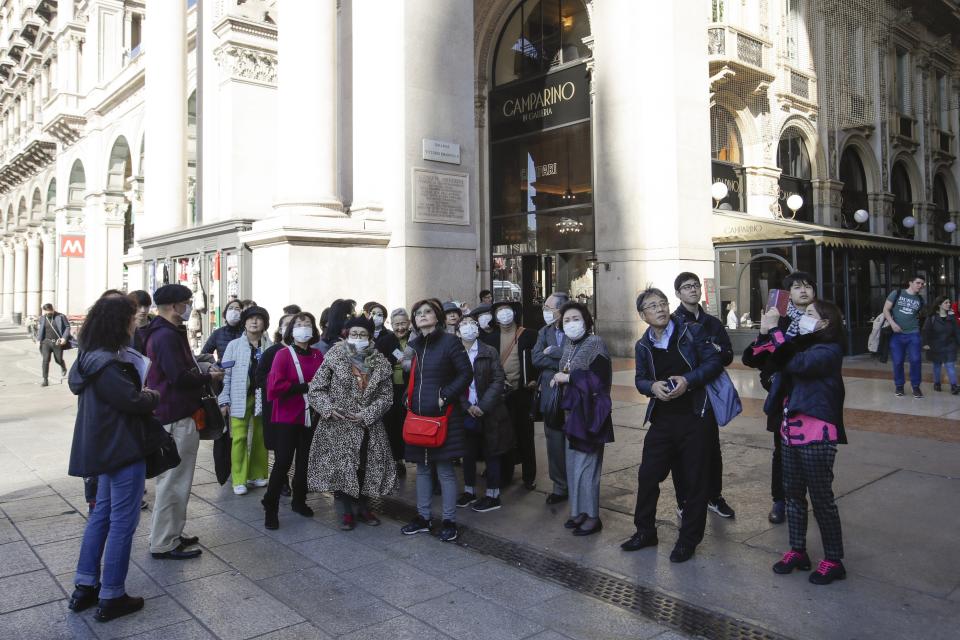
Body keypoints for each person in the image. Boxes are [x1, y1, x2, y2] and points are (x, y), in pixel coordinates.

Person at [66, 296, 159, 622]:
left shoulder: (88, 359)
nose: (135, 323)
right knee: (122, 521)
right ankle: (112, 594)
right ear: (118, 323)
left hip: (102, 447)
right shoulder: (109, 364)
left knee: (102, 516)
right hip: (121, 447)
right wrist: (152, 395)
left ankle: (86, 586)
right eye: (131, 319)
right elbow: (133, 401)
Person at [621, 288, 723, 563]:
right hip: (663, 419)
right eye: (652, 306)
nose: (660, 309)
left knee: (694, 481)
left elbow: (715, 362)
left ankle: (687, 540)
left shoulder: (692, 331)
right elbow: (640, 379)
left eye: (663, 303)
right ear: (643, 316)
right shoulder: (643, 345)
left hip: (695, 416)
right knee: (648, 475)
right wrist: (651, 386)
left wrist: (688, 380)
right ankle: (645, 532)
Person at [755, 300, 848, 585]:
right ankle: (798, 551)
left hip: (816, 431)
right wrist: (765, 334)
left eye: (809, 314)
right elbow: (762, 360)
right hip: (789, 430)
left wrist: (777, 333)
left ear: (825, 323)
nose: (802, 318)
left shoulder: (829, 350)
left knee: (821, 499)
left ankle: (833, 560)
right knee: (793, 495)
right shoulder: (799, 343)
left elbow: (798, 364)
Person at [141, 284, 224, 560]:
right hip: (174, 416)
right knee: (174, 481)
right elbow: (179, 377)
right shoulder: (164, 335)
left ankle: (172, 532)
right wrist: (207, 377)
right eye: (187, 302)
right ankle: (164, 541)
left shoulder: (167, 332)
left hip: (174, 413)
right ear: (175, 306)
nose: (190, 306)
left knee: (176, 481)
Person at [741, 271, 818, 526]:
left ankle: (815, 502)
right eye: (797, 287)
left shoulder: (822, 320)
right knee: (782, 452)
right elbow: (753, 359)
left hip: (812, 399)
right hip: (784, 400)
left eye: (808, 286)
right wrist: (765, 333)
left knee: (813, 454)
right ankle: (780, 500)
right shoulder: (779, 322)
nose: (803, 290)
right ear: (787, 295)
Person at [307, 316, 397, 530]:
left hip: (368, 424)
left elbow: (387, 396)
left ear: (370, 337)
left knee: (366, 466)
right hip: (339, 423)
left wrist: (367, 414)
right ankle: (347, 511)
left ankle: (364, 508)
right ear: (347, 335)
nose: (358, 338)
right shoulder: (334, 356)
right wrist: (328, 409)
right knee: (344, 467)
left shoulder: (379, 361)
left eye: (362, 334)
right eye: (354, 334)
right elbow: (317, 389)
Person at [400, 299, 472, 542]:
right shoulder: (416, 345)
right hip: (419, 417)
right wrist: (407, 398)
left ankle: (449, 521)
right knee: (421, 470)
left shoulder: (450, 342)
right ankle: (423, 517)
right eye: (418, 313)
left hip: (443, 416)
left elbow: (466, 373)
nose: (422, 315)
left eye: (427, 311)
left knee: (445, 471)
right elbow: (415, 379)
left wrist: (445, 395)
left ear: (438, 316)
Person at [671, 272, 735, 519]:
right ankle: (684, 500)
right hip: (684, 394)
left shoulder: (713, 322)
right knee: (682, 450)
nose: (693, 290)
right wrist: (711, 352)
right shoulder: (674, 322)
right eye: (687, 287)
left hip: (709, 394)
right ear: (678, 293)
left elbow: (727, 355)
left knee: (711, 448)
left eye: (695, 286)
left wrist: (712, 353)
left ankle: (714, 496)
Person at [551, 302, 613, 536]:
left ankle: (592, 516)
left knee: (588, 467)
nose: (571, 324)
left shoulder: (595, 343)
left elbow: (600, 380)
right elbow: (564, 369)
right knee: (574, 465)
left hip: (591, 413)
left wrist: (568, 379)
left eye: (575, 318)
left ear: (586, 321)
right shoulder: (569, 345)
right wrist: (559, 378)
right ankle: (577, 511)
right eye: (566, 320)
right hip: (572, 414)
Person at [263, 313, 325, 529]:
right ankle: (270, 505)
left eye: (308, 324)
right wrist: (305, 387)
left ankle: (299, 500)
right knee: (283, 462)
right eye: (298, 325)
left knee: (305, 461)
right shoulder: (283, 355)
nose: (303, 328)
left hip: (310, 415)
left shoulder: (318, 355)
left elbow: (325, 382)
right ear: (290, 331)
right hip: (287, 416)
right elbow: (275, 387)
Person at [455, 313, 514, 513]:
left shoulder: (489, 351)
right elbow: (452, 383)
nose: (469, 327)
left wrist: (482, 406)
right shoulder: (454, 354)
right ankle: (469, 490)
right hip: (465, 411)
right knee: (468, 453)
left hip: (489, 411)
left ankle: (493, 495)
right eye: (464, 324)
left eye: (472, 323)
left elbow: (498, 380)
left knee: (492, 452)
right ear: (457, 331)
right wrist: (466, 406)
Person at [481, 300, 538, 489]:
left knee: (525, 435)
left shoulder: (529, 335)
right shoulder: (489, 340)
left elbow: (537, 361)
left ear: (514, 313)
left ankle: (529, 477)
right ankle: (506, 474)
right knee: (503, 435)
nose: (504, 314)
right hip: (500, 394)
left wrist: (534, 378)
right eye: (500, 311)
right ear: (495, 317)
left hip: (522, 393)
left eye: (507, 310)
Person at [218, 306, 273, 495]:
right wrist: (224, 399)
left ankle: (257, 475)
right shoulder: (234, 345)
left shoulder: (271, 347)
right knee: (239, 438)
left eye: (259, 318)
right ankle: (239, 478)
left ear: (265, 323)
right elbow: (225, 375)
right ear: (245, 322)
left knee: (260, 436)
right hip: (239, 397)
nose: (254, 322)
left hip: (263, 397)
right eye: (251, 318)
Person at [532, 291, 570, 505]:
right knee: (554, 443)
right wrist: (560, 359)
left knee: (574, 443)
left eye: (549, 308)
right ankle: (559, 486)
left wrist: (554, 352)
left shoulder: (576, 329)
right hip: (550, 395)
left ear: (561, 309)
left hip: (572, 395)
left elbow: (575, 359)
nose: (545, 311)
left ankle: (575, 483)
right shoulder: (543, 332)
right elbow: (536, 358)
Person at [256, 313, 296, 497]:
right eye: (287, 324)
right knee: (281, 447)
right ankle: (282, 482)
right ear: (280, 329)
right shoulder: (272, 352)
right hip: (277, 406)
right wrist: (279, 386)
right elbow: (260, 377)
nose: (291, 328)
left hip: (299, 407)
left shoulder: (307, 351)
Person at [883, 275, 926, 398]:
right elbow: (885, 309)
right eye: (918, 283)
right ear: (910, 282)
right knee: (897, 361)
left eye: (922, 284)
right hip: (897, 335)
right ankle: (899, 386)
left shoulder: (920, 299)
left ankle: (916, 386)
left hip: (913, 333)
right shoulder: (896, 293)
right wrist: (892, 323)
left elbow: (921, 315)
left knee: (916, 360)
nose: (920, 286)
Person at [384, 308, 414, 476]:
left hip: (411, 387)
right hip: (391, 389)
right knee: (393, 424)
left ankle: (413, 455)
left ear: (409, 323)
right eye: (397, 324)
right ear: (391, 324)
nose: (400, 327)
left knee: (409, 421)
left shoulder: (415, 339)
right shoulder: (385, 341)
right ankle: (397, 460)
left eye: (403, 323)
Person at [922, 296, 960, 394]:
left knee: (950, 365)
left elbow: (957, 331)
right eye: (946, 303)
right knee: (937, 366)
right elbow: (926, 331)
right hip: (935, 345)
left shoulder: (952, 317)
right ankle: (937, 383)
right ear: (939, 305)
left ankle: (954, 386)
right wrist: (925, 343)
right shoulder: (932, 318)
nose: (949, 304)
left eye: (949, 303)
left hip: (949, 345)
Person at [37, 302, 71, 386]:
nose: (49, 313)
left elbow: (67, 327)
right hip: (46, 342)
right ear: (44, 311)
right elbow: (41, 330)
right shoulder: (42, 318)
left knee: (58, 359)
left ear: (53, 309)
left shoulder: (60, 316)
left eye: (50, 311)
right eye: (47, 311)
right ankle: (45, 380)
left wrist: (64, 337)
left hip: (57, 342)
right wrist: (38, 341)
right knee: (45, 360)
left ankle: (63, 366)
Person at [201, 299, 244, 363]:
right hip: (223, 371)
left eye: (237, 309)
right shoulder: (218, 333)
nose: (233, 311)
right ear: (226, 313)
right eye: (230, 308)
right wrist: (213, 367)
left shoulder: (246, 333)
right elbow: (204, 355)